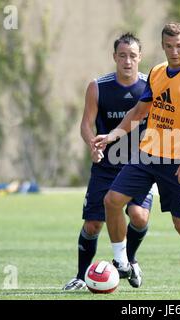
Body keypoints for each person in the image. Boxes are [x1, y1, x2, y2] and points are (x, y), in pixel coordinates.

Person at [93, 22, 180, 291]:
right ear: (163, 46)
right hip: (148, 154)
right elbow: (139, 112)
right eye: (169, 46)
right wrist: (112, 135)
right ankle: (122, 262)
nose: (174, 51)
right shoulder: (157, 72)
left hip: (178, 162)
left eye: (179, 46)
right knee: (112, 201)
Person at [63, 33, 153, 290]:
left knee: (139, 216)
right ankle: (81, 277)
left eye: (132, 56)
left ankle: (128, 262)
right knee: (93, 224)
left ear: (140, 58)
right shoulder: (98, 87)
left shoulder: (150, 86)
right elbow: (85, 125)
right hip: (106, 166)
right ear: (114, 57)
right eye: (122, 56)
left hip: (140, 166)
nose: (127, 61)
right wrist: (93, 145)